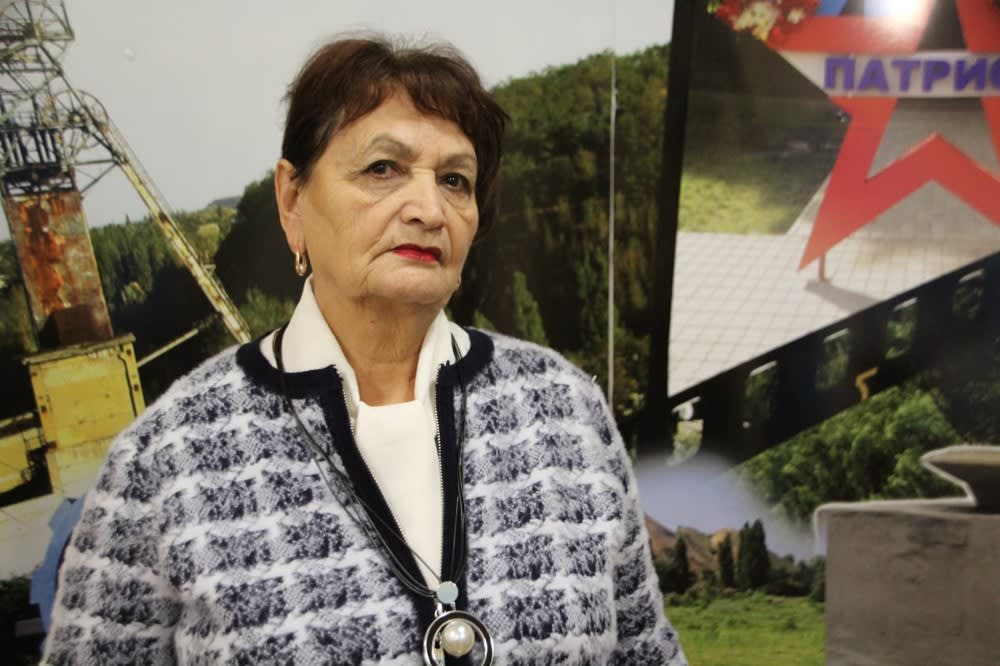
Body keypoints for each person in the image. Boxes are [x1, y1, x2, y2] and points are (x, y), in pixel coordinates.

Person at [42, 36, 686, 665]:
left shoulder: (564, 410)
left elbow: (643, 651)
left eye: (455, 180)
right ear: (292, 199)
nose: (429, 209)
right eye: (383, 169)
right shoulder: (167, 458)